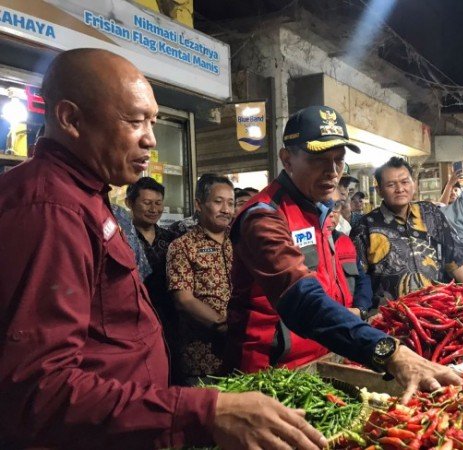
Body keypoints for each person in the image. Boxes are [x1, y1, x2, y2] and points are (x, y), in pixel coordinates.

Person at [0, 48, 326, 450]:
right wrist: (204, 412)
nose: (151, 138)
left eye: (152, 121)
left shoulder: (88, 196)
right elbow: (38, 392)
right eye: (135, 121)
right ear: (71, 119)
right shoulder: (49, 209)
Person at [227, 106, 461, 403]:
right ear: (287, 159)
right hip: (269, 376)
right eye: (318, 160)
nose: (333, 172)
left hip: (322, 362)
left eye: (339, 160)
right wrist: (387, 351)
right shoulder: (264, 218)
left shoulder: (320, 212)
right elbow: (302, 299)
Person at [352, 157, 463, 303]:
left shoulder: (431, 214)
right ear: (379, 190)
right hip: (390, 318)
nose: (400, 189)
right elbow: (359, 279)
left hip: (438, 310)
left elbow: (456, 260)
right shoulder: (365, 227)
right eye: (391, 184)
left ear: (414, 185)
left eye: (405, 182)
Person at [167, 175, 234, 384]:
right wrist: (224, 326)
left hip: (242, 353)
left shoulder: (241, 240)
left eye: (231, 203)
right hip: (202, 358)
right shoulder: (182, 246)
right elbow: (184, 300)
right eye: (218, 201)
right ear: (199, 204)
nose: (226, 209)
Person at [125, 176, 178, 377]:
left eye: (158, 203)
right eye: (146, 203)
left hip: (169, 312)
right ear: (130, 203)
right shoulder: (122, 238)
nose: (153, 209)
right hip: (135, 314)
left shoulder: (172, 239)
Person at [329, 187, 373, 317]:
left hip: (351, 322)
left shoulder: (345, 241)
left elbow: (362, 279)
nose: (332, 212)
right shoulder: (304, 243)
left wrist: (360, 308)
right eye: (325, 204)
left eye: (336, 205)